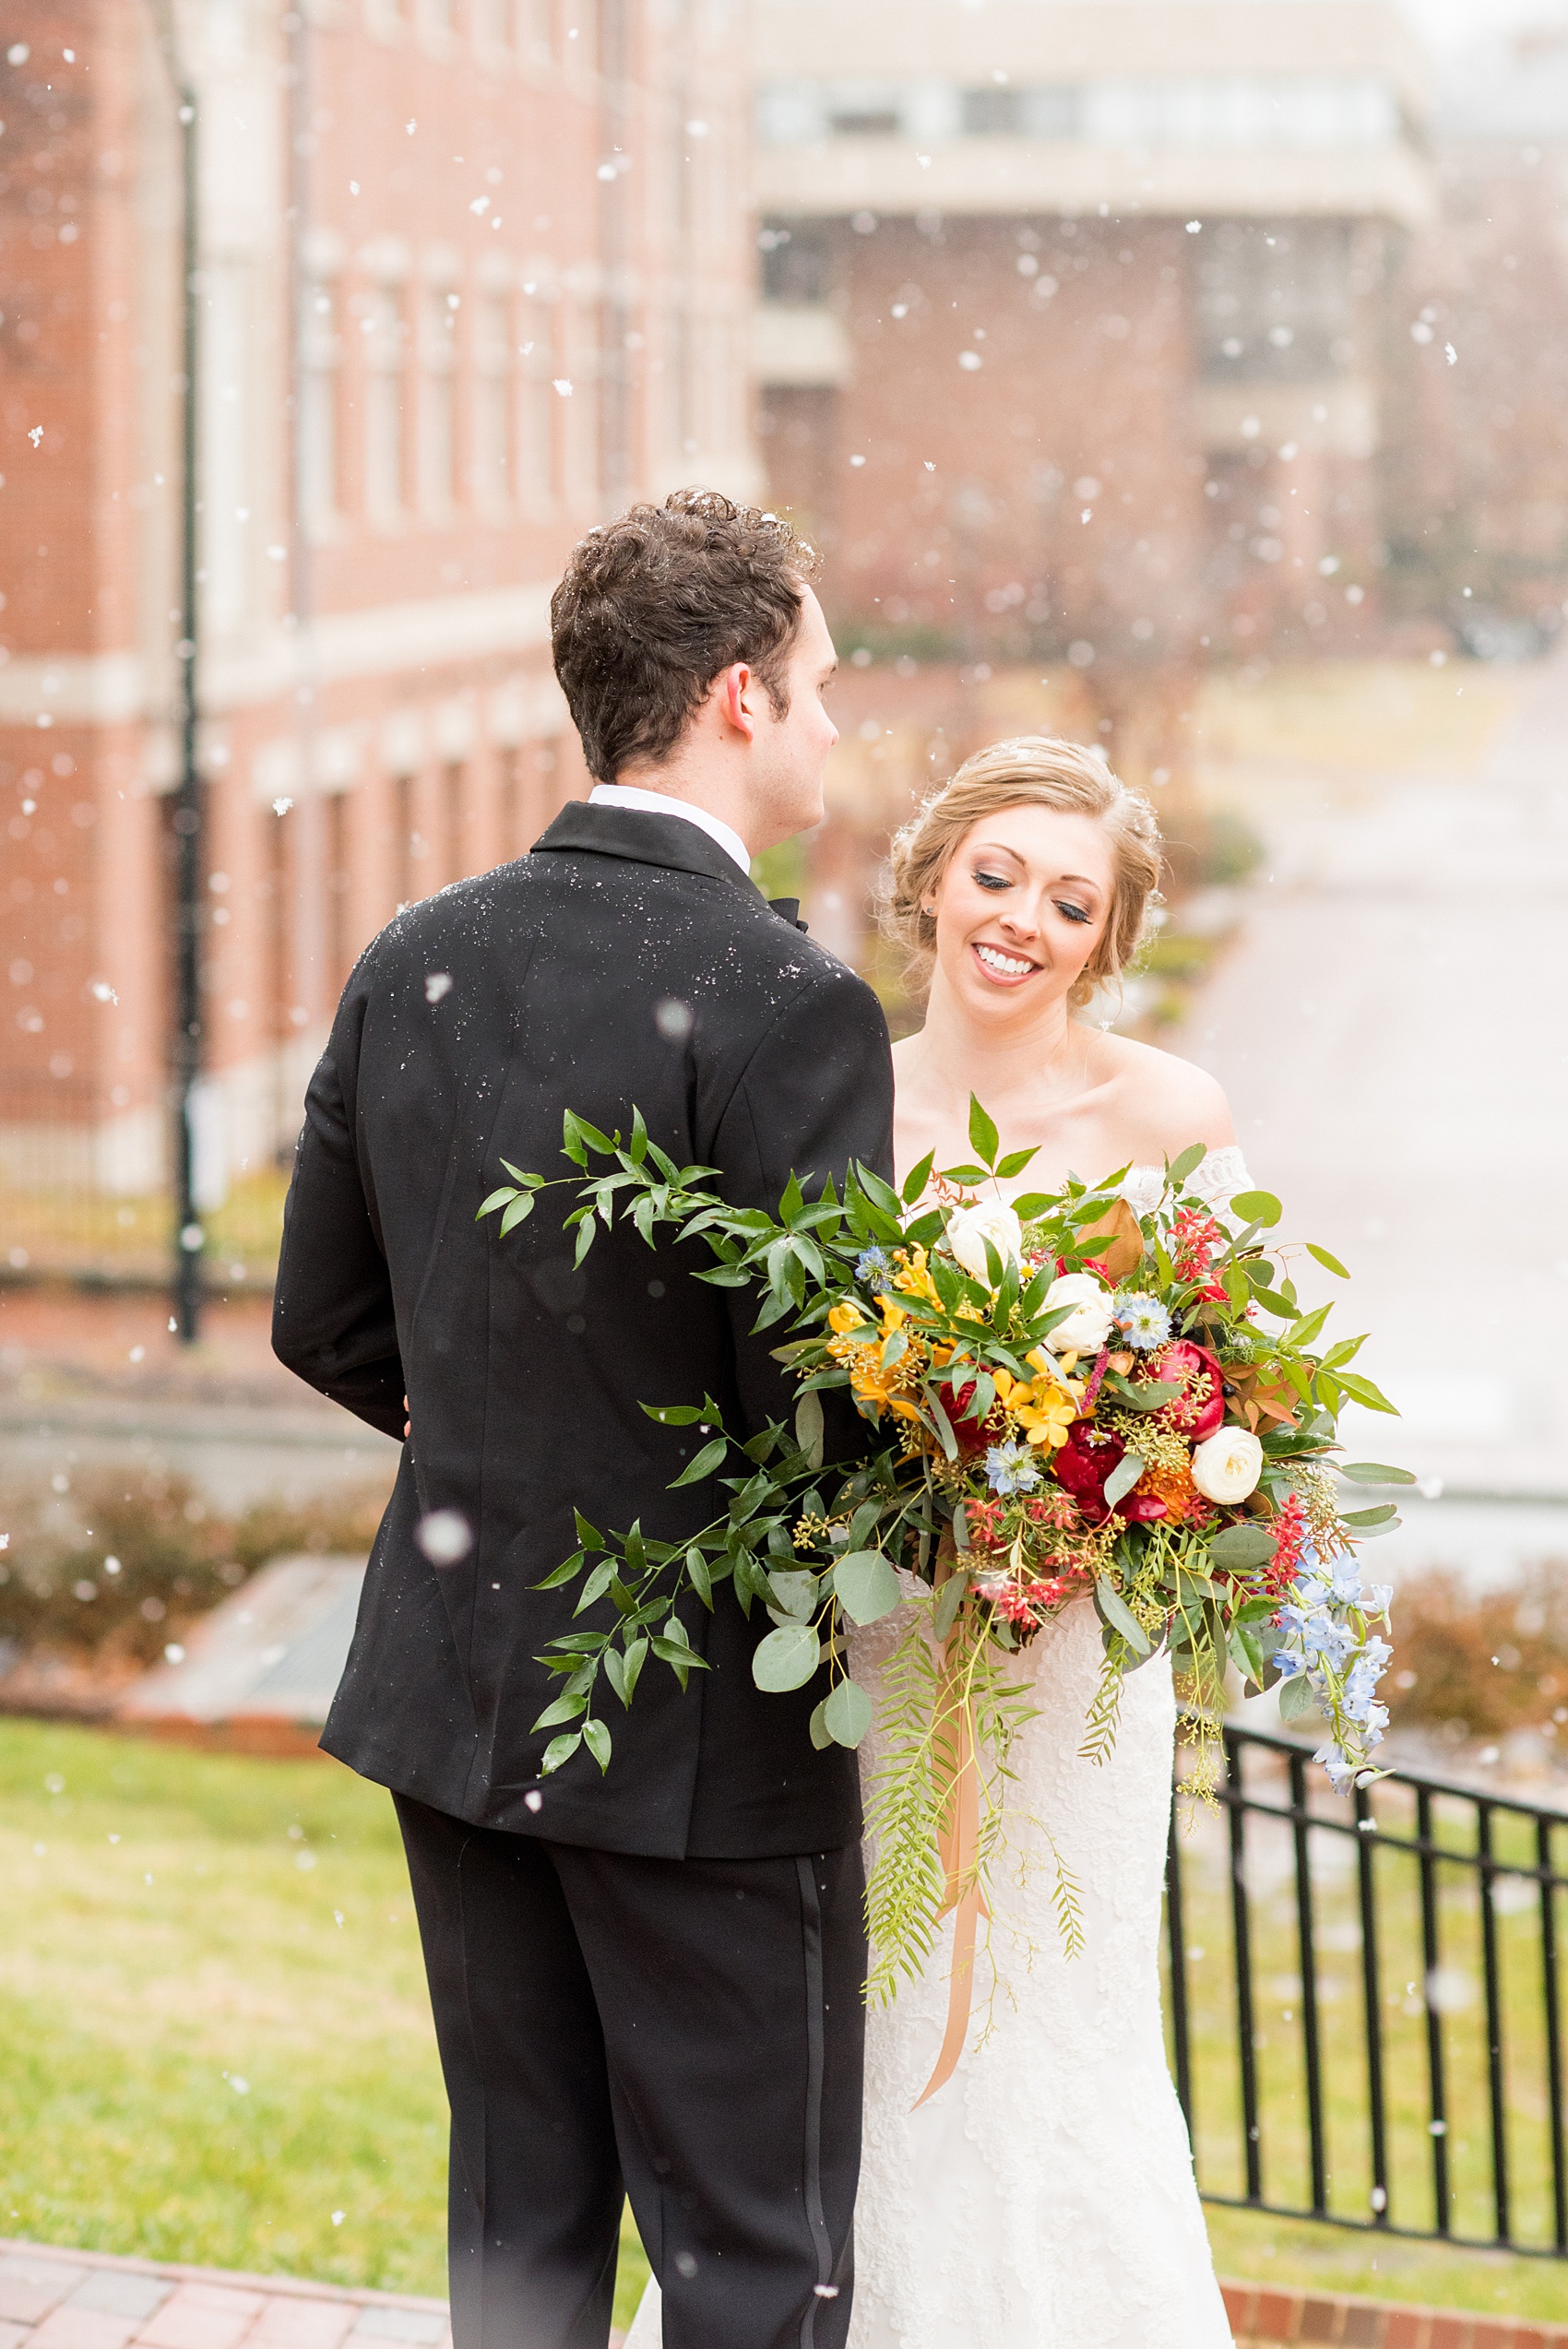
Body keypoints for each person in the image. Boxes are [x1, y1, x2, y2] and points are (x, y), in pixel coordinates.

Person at [271, 490, 895, 2349]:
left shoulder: (415, 950)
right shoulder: (789, 999)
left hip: (456, 1690)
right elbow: (820, 1410)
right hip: (699, 1728)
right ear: (734, 698)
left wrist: (522, 1454)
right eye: (822, 684)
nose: (834, 722)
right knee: (751, 2251)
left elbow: (323, 1317)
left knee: (521, 2228)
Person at [626, 736, 1247, 2349]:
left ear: (1107, 940)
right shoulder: (840, 1096)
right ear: (930, 880)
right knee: (876, 2022)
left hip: (1070, 1664)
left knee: (1065, 2022)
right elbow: (770, 1383)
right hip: (881, 1643)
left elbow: (1229, 1413)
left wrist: (1091, 1507)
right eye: (998, 876)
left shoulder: (1168, 1112)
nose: (1022, 921)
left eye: (1068, 900)